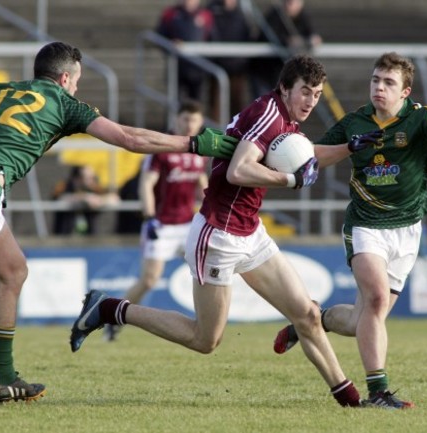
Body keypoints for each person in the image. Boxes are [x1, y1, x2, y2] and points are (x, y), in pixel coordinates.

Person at [0, 41, 236, 404]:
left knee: (13, 272)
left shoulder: (2, 90)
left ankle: (4, 379)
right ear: (64, 78)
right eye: (76, 81)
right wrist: (195, 143)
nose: (77, 88)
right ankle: (4, 376)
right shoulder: (63, 102)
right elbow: (129, 138)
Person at [70, 55, 384, 408]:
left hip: (250, 232)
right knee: (205, 340)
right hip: (218, 234)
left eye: (317, 94)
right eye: (305, 92)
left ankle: (351, 400)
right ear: (284, 88)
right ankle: (111, 308)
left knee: (308, 315)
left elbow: (304, 155)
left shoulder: (285, 118)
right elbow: (239, 170)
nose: (311, 100)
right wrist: (289, 179)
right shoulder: (269, 116)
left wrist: (348, 148)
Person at [272, 52, 427, 409]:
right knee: (377, 300)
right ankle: (378, 392)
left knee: (361, 318)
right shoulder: (354, 122)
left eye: (388, 83)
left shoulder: (420, 119)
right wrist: (339, 148)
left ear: (405, 91)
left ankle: (311, 320)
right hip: (365, 225)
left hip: (408, 230)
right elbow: (311, 151)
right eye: (375, 80)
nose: (379, 88)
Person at [104, 100, 208, 341]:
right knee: (149, 280)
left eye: (194, 120)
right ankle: (112, 317)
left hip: (188, 225)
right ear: (176, 120)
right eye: (185, 119)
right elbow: (147, 183)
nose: (189, 124)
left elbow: (202, 185)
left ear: (200, 122)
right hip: (161, 224)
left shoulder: (200, 151)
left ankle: (207, 322)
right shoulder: (163, 148)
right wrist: (149, 217)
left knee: (207, 270)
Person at [250, 0, 322, 97]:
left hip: (282, 71)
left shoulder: (303, 16)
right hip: (264, 70)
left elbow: (312, 35)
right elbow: (270, 36)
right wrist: (288, 41)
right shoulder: (275, 15)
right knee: (264, 102)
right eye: (288, 2)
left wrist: (308, 40)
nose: (290, 5)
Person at [156, 0, 215, 101]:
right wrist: (171, 45)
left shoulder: (206, 15)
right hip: (176, 67)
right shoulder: (170, 14)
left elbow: (213, 39)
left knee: (196, 104)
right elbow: (160, 37)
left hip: (198, 68)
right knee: (174, 103)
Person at [206, 0, 252, 119]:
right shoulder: (212, 10)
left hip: (237, 68)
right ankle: (215, 136)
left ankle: (236, 135)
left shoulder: (242, 14)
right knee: (216, 107)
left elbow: (247, 36)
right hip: (216, 66)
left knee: (236, 105)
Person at [52, 164, 119, 235]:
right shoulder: (63, 187)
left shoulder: (94, 190)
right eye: (87, 178)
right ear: (77, 179)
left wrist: (101, 200)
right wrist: (83, 198)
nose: (91, 182)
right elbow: (60, 198)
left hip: (89, 240)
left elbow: (114, 198)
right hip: (64, 238)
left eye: (92, 178)